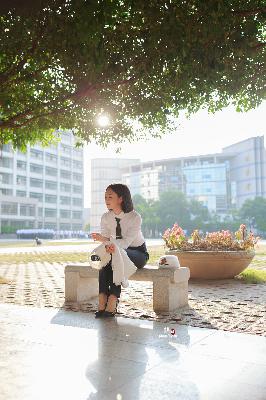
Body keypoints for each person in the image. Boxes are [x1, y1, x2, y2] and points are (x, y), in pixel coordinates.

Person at [91, 183, 149, 318]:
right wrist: (104, 241)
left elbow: (126, 243)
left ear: (121, 199)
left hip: (138, 253)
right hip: (115, 250)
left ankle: (112, 300)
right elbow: (107, 239)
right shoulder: (106, 217)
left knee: (114, 254)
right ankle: (102, 299)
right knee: (106, 259)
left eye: (110, 197)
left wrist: (107, 242)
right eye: (105, 197)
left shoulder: (135, 217)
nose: (106, 200)